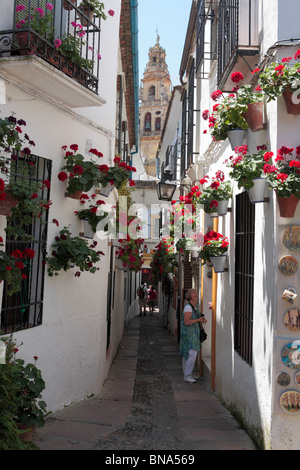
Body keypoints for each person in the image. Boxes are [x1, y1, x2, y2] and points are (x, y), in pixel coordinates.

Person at [179, 288, 207, 383]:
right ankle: (187, 375)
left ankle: (187, 374)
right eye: (193, 293)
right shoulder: (188, 308)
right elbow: (186, 322)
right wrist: (198, 320)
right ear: (189, 296)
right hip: (189, 335)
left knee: (189, 354)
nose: (195, 294)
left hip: (192, 335)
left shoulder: (193, 307)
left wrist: (202, 319)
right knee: (191, 354)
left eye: (195, 292)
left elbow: (196, 317)